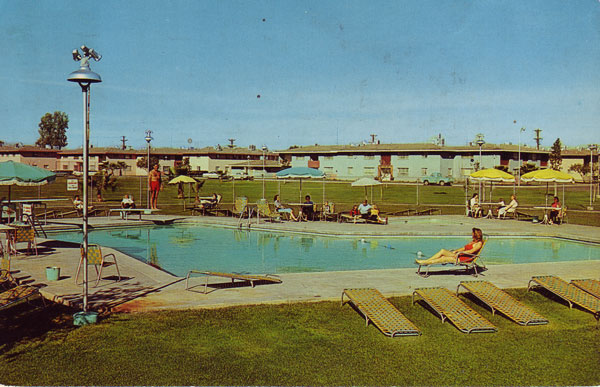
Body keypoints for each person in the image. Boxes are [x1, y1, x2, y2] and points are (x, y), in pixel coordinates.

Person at [416, 228, 484, 266]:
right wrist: (456, 251)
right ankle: (426, 261)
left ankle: (426, 262)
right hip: (460, 255)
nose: (471, 234)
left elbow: (471, 251)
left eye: (472, 233)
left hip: (463, 259)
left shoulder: (479, 243)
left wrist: (459, 253)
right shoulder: (473, 241)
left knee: (443, 258)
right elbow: (464, 248)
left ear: (475, 234)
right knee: (443, 251)